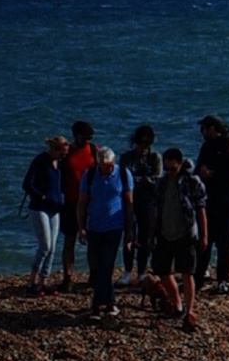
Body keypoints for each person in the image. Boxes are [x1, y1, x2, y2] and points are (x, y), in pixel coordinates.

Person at [145, 147, 208, 331]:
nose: (170, 172)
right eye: (167, 169)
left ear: (180, 164)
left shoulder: (191, 182)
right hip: (164, 233)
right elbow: (154, 211)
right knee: (163, 272)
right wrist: (150, 236)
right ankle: (176, 304)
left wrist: (204, 235)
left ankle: (189, 310)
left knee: (187, 273)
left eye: (173, 168)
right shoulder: (161, 184)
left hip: (186, 234)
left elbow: (201, 209)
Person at [77, 144, 129, 320]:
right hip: (94, 226)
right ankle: (105, 301)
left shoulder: (122, 174)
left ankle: (102, 303)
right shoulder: (90, 175)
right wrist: (81, 226)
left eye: (110, 166)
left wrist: (130, 229)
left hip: (114, 226)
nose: (107, 170)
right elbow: (82, 202)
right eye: (104, 167)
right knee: (96, 265)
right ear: (98, 164)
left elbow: (129, 202)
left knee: (107, 263)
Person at [196, 117, 229, 290]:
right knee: (204, 240)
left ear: (212, 128)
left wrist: (214, 174)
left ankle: (223, 279)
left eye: (203, 128)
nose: (202, 132)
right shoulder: (206, 147)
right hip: (207, 200)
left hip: (226, 201)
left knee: (224, 242)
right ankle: (199, 276)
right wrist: (201, 174)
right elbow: (197, 170)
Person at [20, 137, 67, 287]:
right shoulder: (40, 161)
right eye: (62, 153)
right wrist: (41, 196)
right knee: (45, 245)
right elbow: (27, 184)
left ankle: (43, 280)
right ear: (55, 149)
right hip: (40, 207)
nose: (63, 156)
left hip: (55, 208)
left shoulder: (59, 164)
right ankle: (32, 281)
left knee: (52, 247)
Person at [121, 127, 161, 284]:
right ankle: (127, 270)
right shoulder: (127, 157)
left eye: (145, 143)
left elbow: (156, 179)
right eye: (140, 143)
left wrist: (138, 180)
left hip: (148, 201)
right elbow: (124, 179)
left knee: (145, 237)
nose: (142, 147)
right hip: (130, 200)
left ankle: (142, 270)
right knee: (129, 235)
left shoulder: (154, 157)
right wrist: (144, 180)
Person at [61, 121, 96, 266]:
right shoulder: (67, 152)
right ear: (76, 136)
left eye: (89, 137)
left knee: (93, 241)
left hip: (90, 202)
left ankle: (94, 274)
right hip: (70, 202)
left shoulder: (94, 150)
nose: (87, 141)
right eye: (84, 137)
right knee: (69, 241)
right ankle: (67, 276)